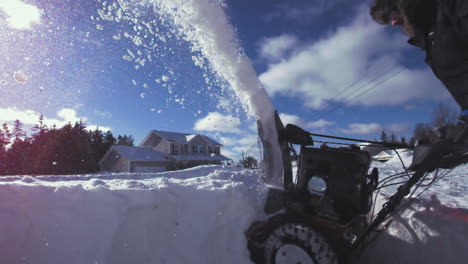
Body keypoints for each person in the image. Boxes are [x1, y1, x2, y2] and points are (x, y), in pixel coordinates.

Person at [370, 0, 468, 121]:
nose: (394, 23)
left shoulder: (446, 9)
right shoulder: (427, 38)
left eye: (390, 16)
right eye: (388, 22)